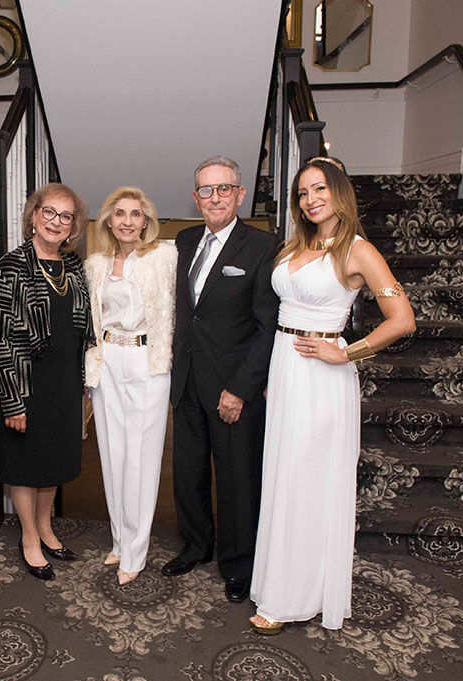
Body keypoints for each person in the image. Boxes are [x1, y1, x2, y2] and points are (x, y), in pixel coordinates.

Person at [249, 157, 415, 634]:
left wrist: (347, 353)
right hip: (286, 368)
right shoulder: (296, 245)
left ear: (339, 192)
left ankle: (293, 598)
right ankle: (280, 584)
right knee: (283, 478)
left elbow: (403, 319)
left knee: (307, 482)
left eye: (319, 188)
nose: (310, 199)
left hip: (322, 375)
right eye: (303, 193)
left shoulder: (359, 251)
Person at [164, 156, 279, 605]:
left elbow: (267, 327)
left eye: (224, 188)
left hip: (233, 387)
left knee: (236, 480)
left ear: (240, 193)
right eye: (206, 190)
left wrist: (242, 388)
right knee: (188, 472)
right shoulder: (185, 240)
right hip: (187, 380)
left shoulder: (263, 247)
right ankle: (196, 546)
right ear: (196, 198)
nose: (215, 198)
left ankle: (239, 564)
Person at [0, 183, 92, 581]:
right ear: (33, 215)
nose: (56, 222)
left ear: (73, 226)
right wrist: (12, 400)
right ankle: (29, 536)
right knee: (26, 464)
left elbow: (86, 325)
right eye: (49, 212)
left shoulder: (74, 266)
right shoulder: (11, 266)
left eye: (65, 216)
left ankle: (47, 528)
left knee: (54, 461)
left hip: (64, 382)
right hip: (25, 382)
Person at [83, 186, 176, 586]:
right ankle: (120, 540)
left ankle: (136, 551)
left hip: (147, 361)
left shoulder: (165, 257)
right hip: (107, 361)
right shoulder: (95, 264)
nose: (127, 221)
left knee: (141, 458)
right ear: (108, 220)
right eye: (119, 213)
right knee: (112, 454)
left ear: (146, 221)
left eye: (135, 214)